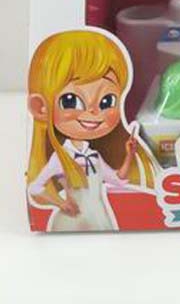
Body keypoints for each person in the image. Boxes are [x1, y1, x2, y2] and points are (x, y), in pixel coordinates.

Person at [27, 30, 156, 231]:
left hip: (99, 217)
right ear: (41, 107)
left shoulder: (94, 156)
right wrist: (60, 203)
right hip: (72, 220)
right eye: (70, 100)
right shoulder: (61, 157)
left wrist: (129, 154)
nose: (94, 112)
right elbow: (35, 186)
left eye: (107, 101)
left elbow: (117, 180)